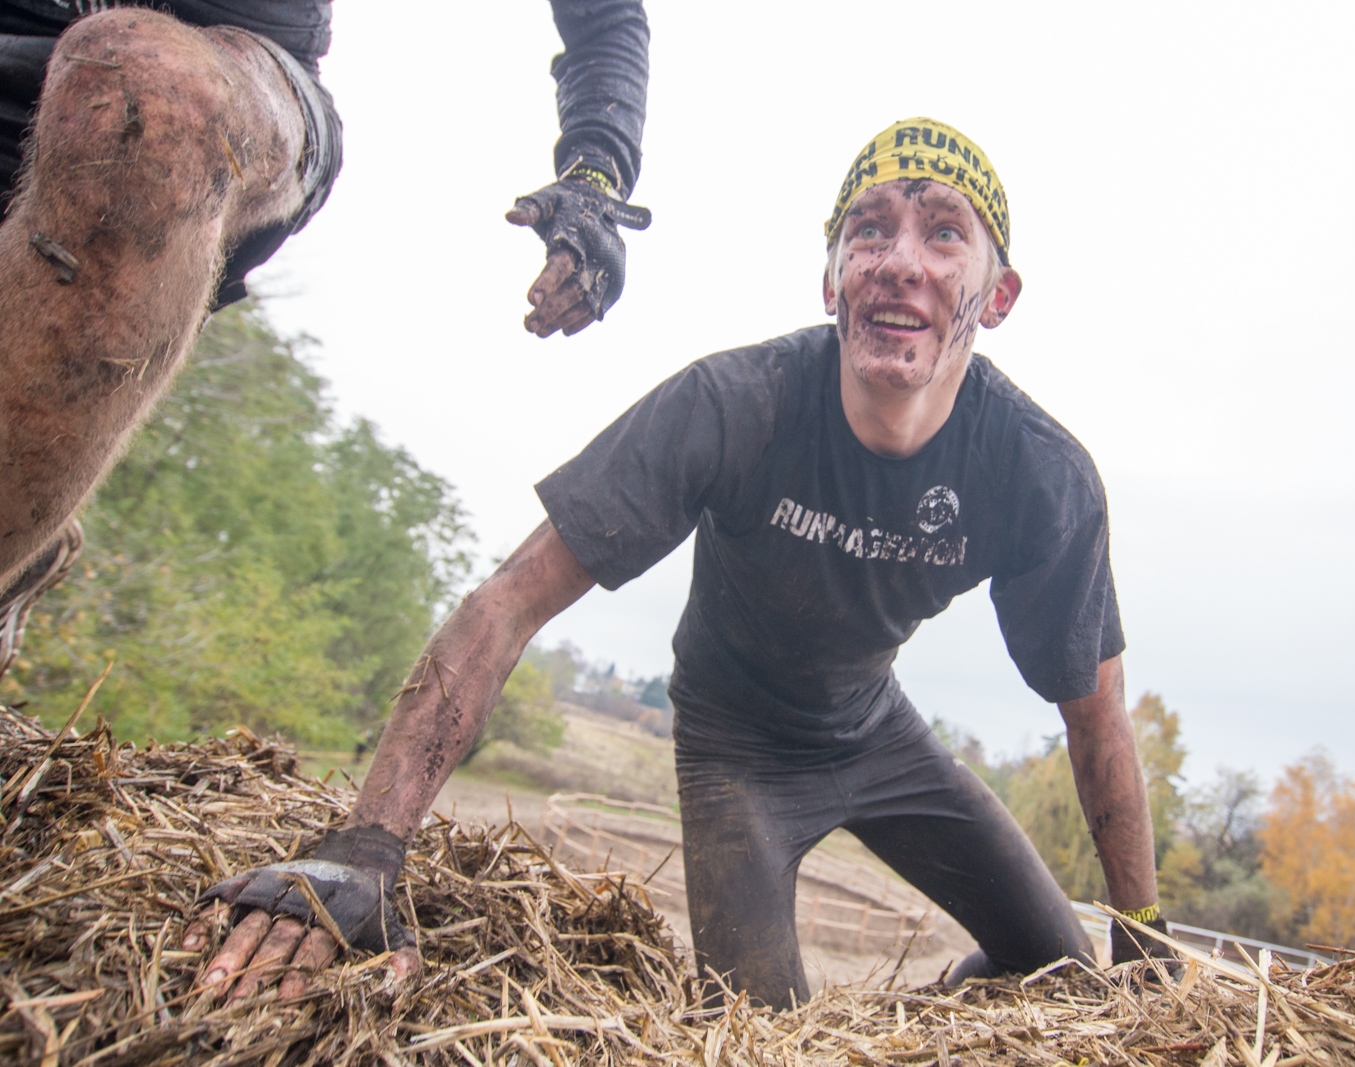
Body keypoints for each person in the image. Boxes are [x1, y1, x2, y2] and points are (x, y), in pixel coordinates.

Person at [185, 118, 1178, 1007]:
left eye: (943, 233)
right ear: (830, 279)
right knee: (762, 1037)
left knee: (1069, 975)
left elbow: (1094, 714)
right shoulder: (733, 404)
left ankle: (919, 1023)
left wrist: (1144, 933)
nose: (899, 261)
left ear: (996, 294)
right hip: (735, 745)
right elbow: (509, 601)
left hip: (876, 738)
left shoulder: (1037, 474)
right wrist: (364, 848)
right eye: (868, 230)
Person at [0, 0, 650, 679]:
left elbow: (604, 16)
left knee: (154, 90)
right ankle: (30, 518)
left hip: (232, 81)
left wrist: (595, 177)